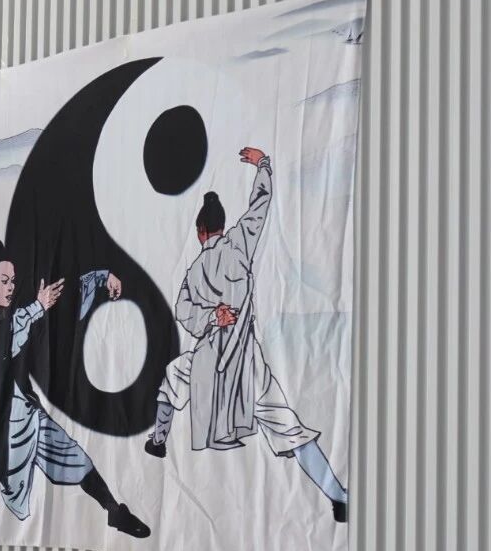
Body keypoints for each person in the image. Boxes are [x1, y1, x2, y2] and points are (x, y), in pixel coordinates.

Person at [144, 147, 349, 522]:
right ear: (221, 227)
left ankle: (158, 440)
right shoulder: (239, 243)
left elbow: (183, 310)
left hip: (208, 360)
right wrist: (263, 166)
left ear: (200, 232)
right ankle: (338, 496)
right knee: (287, 426)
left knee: (174, 375)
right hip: (245, 361)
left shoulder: (194, 271)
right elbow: (260, 204)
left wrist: (212, 316)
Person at [0, 239, 151, 538]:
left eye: (13, 281)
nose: (11, 287)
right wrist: (36, 307)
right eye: (4, 281)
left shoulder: (23, 316)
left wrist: (104, 277)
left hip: (25, 415)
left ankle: (115, 511)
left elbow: (68, 298)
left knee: (77, 460)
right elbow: (2, 345)